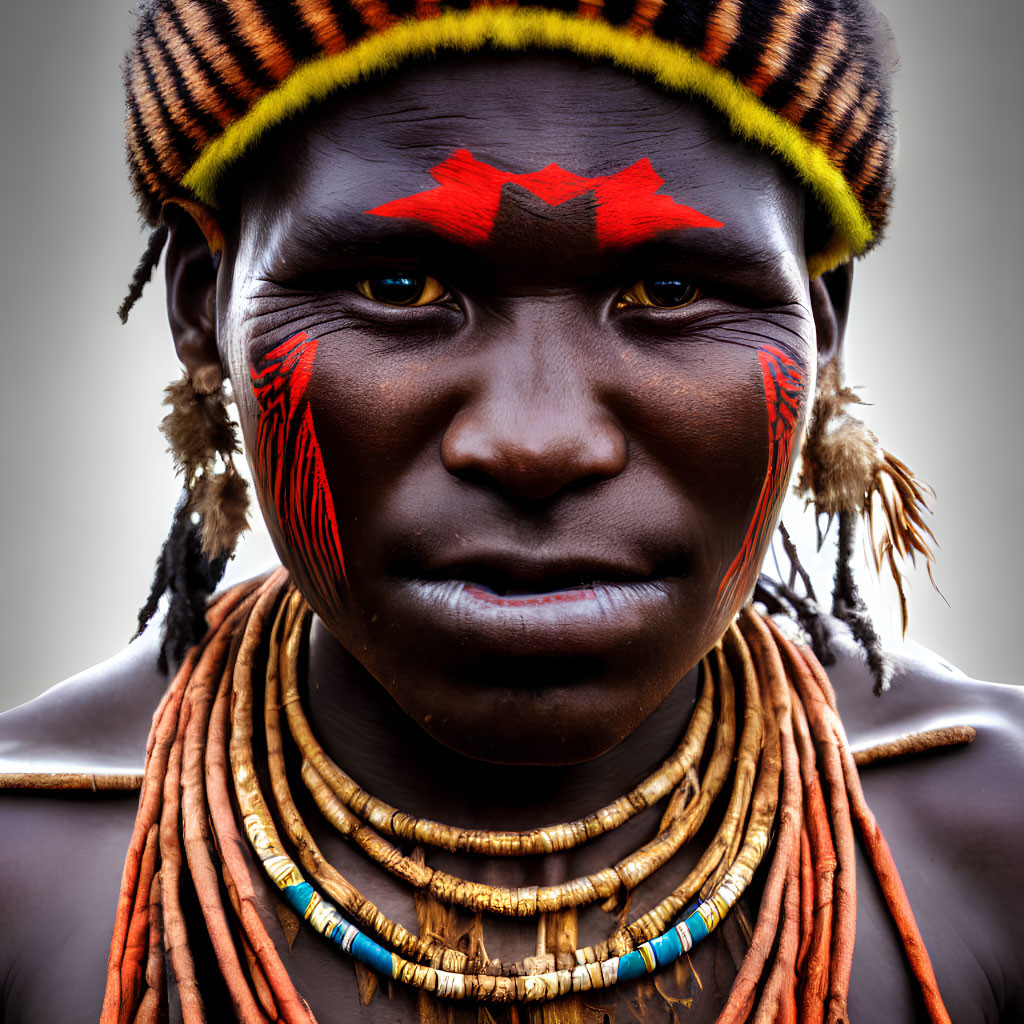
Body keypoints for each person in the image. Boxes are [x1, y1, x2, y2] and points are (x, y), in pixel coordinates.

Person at [1, 1, 1022, 1022]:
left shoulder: (991, 835)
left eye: (667, 289)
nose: (537, 442)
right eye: (397, 284)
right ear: (204, 308)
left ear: (822, 325)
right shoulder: (28, 871)